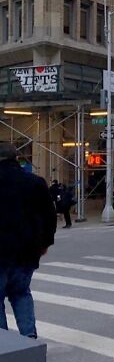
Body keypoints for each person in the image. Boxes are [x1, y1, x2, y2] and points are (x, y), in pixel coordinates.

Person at [0, 142, 57, 338]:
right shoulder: (35, 182)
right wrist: (45, 244)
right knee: (21, 293)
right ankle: (29, 338)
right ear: (16, 158)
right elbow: (49, 216)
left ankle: (4, 344)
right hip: (27, 252)